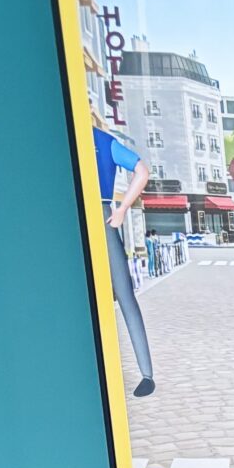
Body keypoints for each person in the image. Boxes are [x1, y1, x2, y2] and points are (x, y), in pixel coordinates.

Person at [91, 112, 155, 398]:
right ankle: (145, 373)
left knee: (124, 294)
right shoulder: (104, 141)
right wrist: (122, 209)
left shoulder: (102, 141)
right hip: (104, 212)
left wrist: (122, 209)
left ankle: (146, 373)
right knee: (125, 296)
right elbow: (141, 171)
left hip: (102, 213)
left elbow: (142, 171)